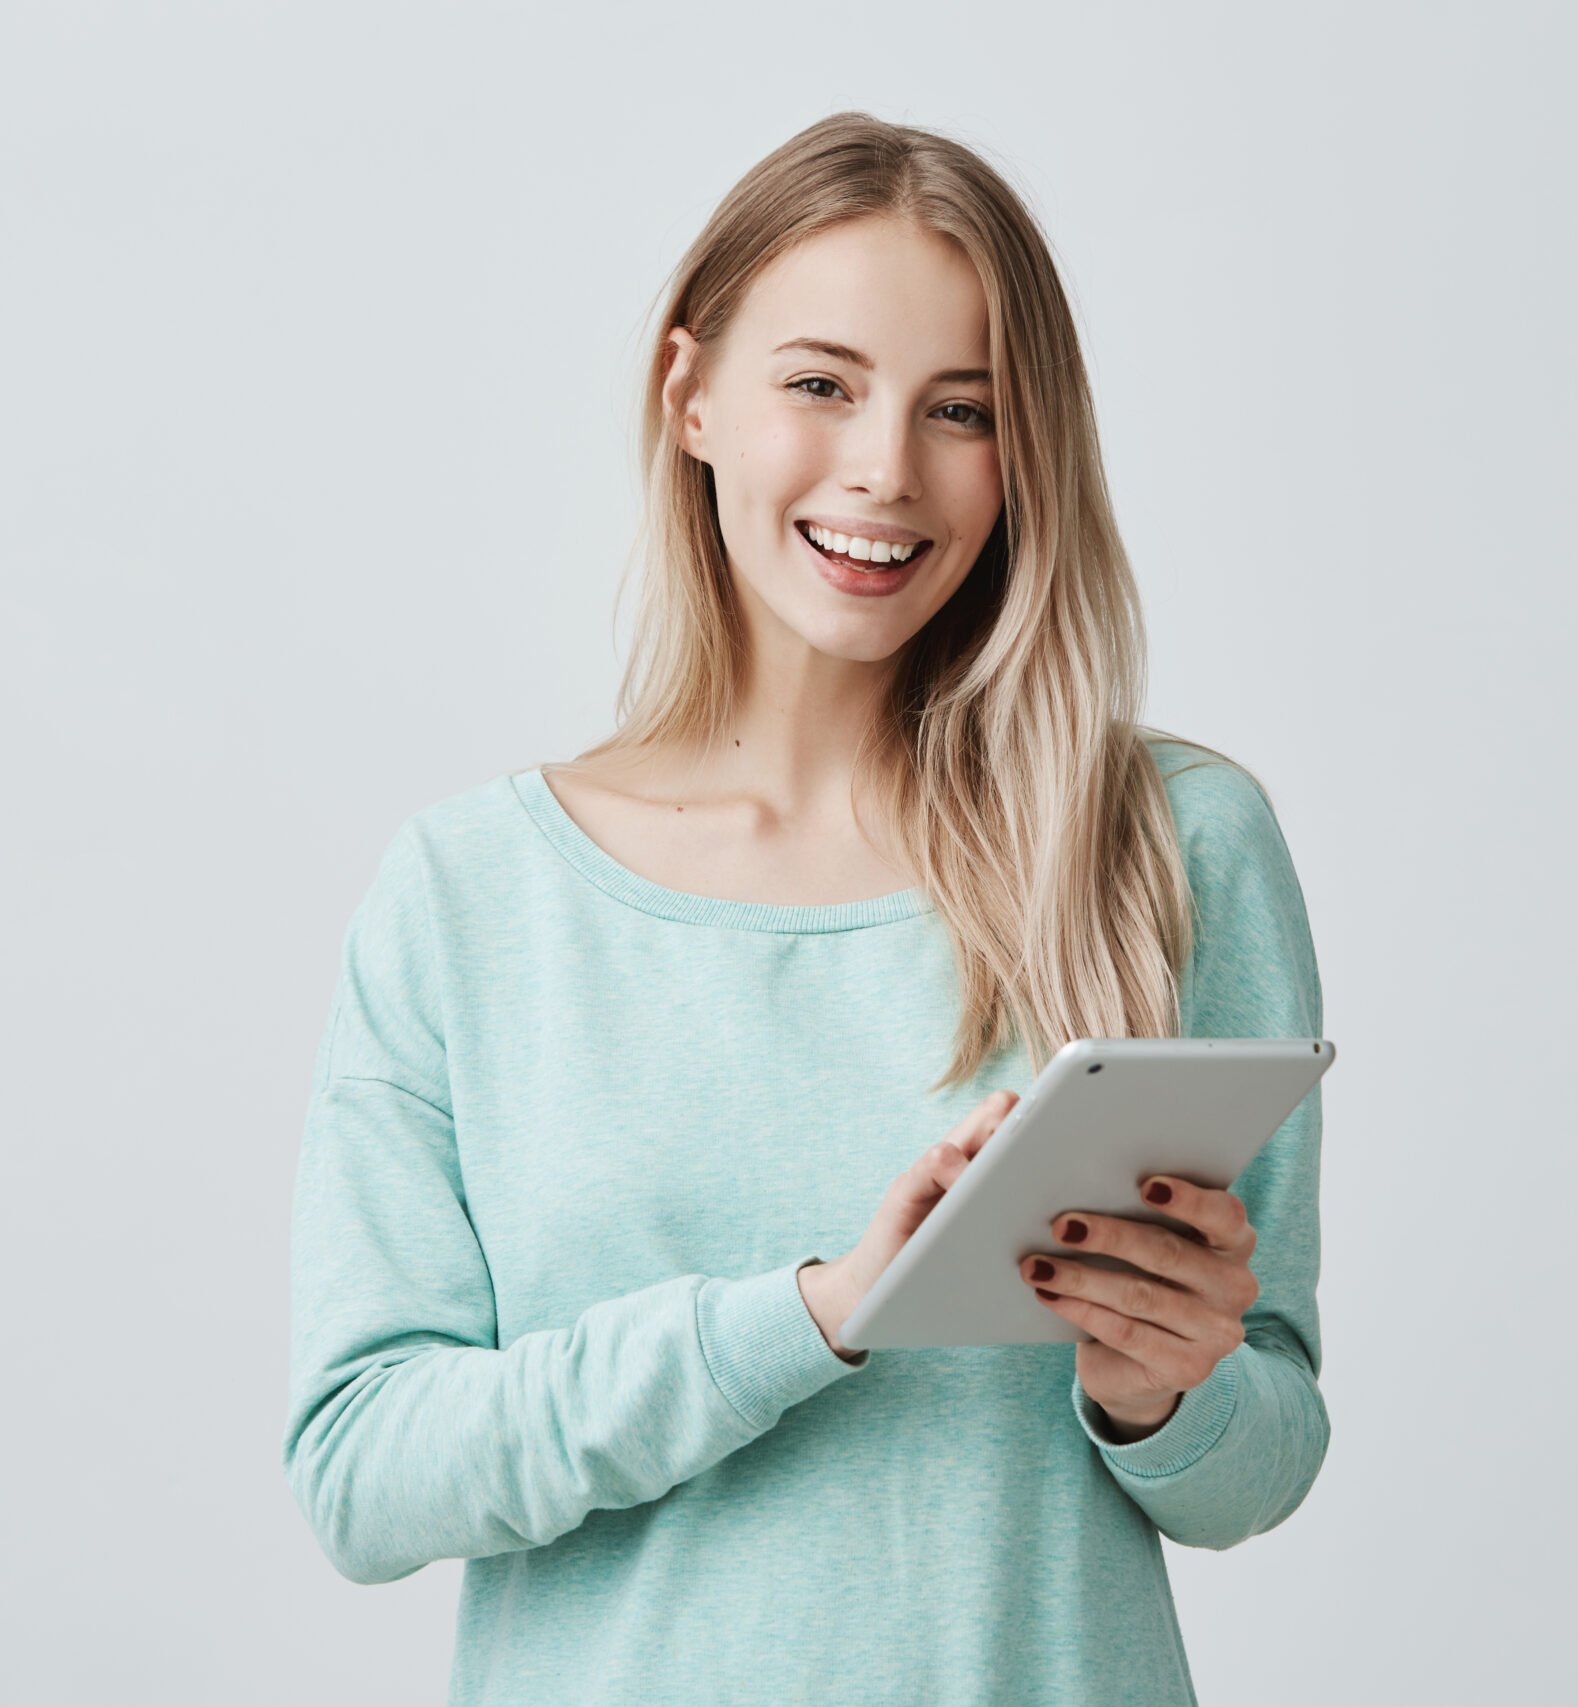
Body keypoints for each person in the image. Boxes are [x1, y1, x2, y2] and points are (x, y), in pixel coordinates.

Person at [281, 111, 1328, 1706]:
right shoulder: (472, 897)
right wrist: (821, 1315)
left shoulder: (1169, 846)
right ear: (690, 393)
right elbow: (362, 1476)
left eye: (960, 409)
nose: (885, 471)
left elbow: (1262, 1462)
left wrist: (1164, 1394)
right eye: (821, 384)